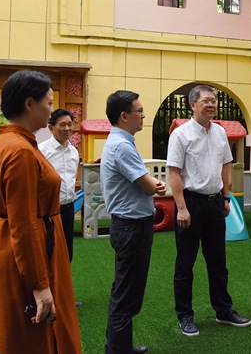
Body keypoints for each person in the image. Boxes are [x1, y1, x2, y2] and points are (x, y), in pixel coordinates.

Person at [0, 70, 82, 354]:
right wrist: (39, 284)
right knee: (31, 341)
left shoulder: (10, 141)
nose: (50, 110)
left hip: (21, 246)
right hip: (24, 254)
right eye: (48, 103)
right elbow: (23, 222)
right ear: (29, 104)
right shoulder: (21, 151)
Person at [167, 84, 251, 337]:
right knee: (185, 263)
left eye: (214, 100)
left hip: (216, 203)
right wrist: (181, 208)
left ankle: (223, 310)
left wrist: (225, 198)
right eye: (206, 100)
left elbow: (226, 165)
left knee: (218, 262)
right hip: (190, 203)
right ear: (193, 104)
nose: (211, 104)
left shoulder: (220, 132)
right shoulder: (180, 135)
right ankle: (185, 315)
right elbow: (174, 172)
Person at [101, 90, 167, 354]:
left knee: (125, 290)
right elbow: (150, 186)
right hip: (132, 228)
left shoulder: (120, 142)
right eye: (139, 111)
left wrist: (152, 184)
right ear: (124, 116)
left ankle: (120, 346)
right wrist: (156, 184)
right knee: (127, 294)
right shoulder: (122, 146)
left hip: (129, 226)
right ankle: (117, 349)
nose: (143, 115)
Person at [39, 109, 82, 307]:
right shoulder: (41, 150)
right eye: (62, 124)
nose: (67, 128)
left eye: (69, 124)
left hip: (67, 208)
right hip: (48, 211)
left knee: (66, 254)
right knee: (48, 253)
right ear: (51, 128)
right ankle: (47, 297)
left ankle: (63, 296)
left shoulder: (73, 151)